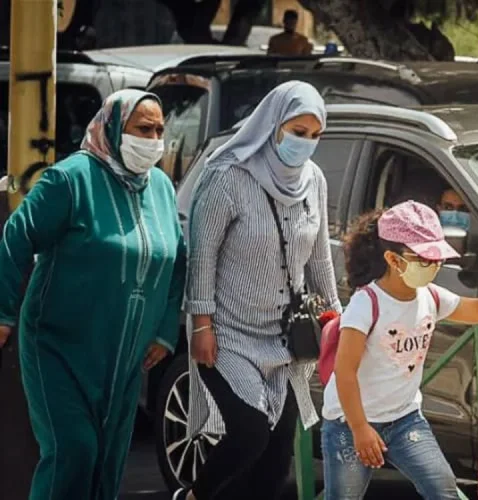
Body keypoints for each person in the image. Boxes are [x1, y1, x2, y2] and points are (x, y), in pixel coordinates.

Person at [0, 89, 185, 499]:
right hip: (58, 347)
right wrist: (3, 311)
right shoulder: (70, 179)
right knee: (73, 452)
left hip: (123, 356)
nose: (153, 139)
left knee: (108, 461)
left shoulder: (160, 188)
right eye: (143, 129)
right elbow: (17, 235)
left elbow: (177, 260)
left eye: (159, 130)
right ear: (115, 128)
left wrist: (165, 330)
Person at [177, 81, 339, 500]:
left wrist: (337, 322)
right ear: (273, 124)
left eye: (314, 135)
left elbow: (319, 259)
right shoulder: (227, 175)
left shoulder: (314, 182)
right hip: (228, 333)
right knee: (248, 433)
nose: (305, 143)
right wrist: (201, 325)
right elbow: (203, 255)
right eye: (297, 131)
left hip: (284, 339)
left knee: (276, 455)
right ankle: (194, 496)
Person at [321, 201, 478, 500]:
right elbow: (344, 372)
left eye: (437, 258)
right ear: (393, 259)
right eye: (424, 259)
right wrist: (360, 428)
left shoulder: (430, 297)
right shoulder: (367, 304)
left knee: (443, 488)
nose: (434, 266)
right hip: (348, 423)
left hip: (405, 419)